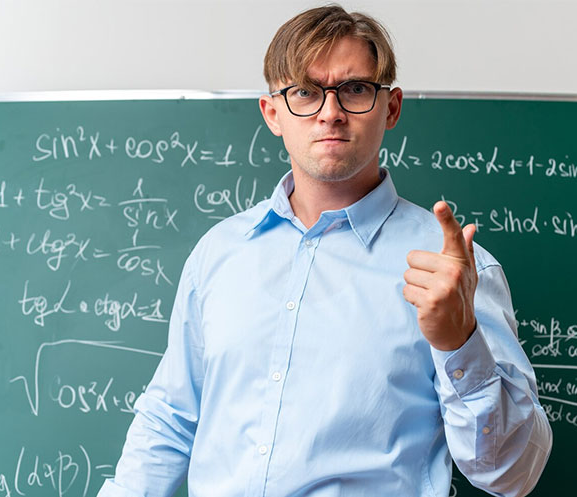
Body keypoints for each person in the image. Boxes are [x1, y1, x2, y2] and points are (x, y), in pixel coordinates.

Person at [98, 5, 552, 497]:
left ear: (391, 107)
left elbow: (512, 474)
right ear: (273, 113)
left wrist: (458, 340)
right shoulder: (219, 254)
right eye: (305, 93)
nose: (330, 112)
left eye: (355, 89)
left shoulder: (453, 272)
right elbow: (170, 418)